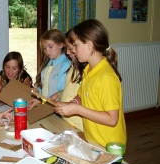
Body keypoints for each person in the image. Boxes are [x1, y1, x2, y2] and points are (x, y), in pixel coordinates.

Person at [54, 19, 127, 147]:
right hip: (93, 139)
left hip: (109, 145)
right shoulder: (88, 69)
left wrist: (77, 109)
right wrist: (71, 104)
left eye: (75, 45)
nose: (73, 50)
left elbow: (112, 119)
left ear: (89, 45)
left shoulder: (106, 77)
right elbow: (81, 96)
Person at [49, 28, 86, 131]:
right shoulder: (73, 66)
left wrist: (73, 105)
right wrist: (59, 94)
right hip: (68, 121)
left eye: (70, 49)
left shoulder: (86, 70)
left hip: (79, 125)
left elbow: (85, 96)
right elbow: (71, 88)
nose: (68, 52)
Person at [28, 29, 71, 109]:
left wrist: (44, 100)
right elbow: (46, 86)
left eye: (50, 47)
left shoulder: (66, 64)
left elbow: (62, 91)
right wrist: (38, 91)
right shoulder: (48, 62)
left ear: (61, 45)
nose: (47, 51)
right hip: (47, 106)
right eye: (44, 48)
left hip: (57, 108)